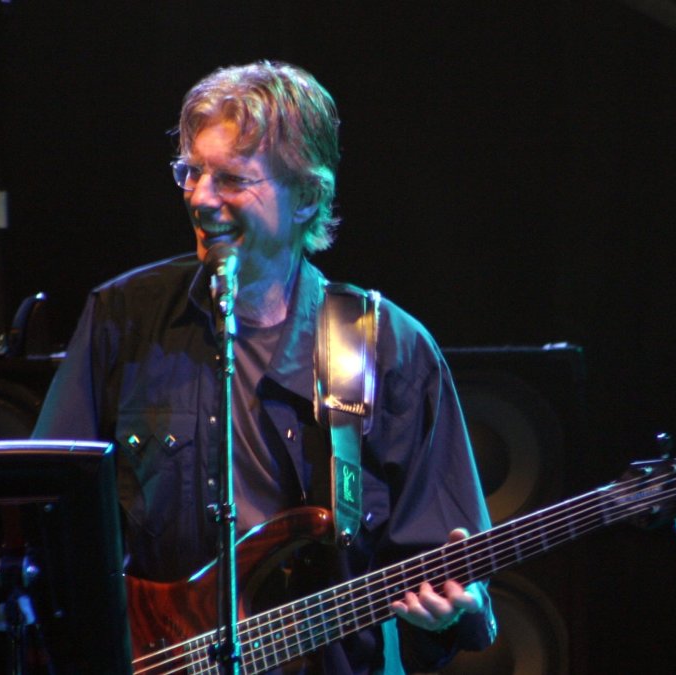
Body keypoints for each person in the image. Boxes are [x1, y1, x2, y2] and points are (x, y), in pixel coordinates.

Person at [33, 60, 495, 674]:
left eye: (231, 179)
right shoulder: (122, 318)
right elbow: (45, 514)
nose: (200, 198)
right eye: (191, 172)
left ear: (306, 197)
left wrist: (450, 608)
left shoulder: (388, 347)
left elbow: (443, 570)